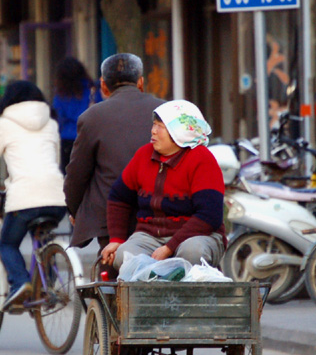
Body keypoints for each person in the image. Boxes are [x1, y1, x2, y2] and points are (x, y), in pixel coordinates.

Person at [0, 81, 66, 312]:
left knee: (7, 243)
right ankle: (47, 285)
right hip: (57, 197)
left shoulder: (6, 124)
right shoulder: (50, 123)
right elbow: (55, 160)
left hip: (25, 197)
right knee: (42, 236)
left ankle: (20, 283)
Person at [101, 99, 226, 272]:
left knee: (192, 252)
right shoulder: (143, 155)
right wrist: (116, 239)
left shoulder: (202, 159)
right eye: (153, 125)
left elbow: (209, 216)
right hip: (149, 236)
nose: (153, 131)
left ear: (180, 131)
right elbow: (118, 197)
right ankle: (152, 296)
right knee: (124, 255)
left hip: (197, 236)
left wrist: (169, 248)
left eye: (160, 126)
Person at [64, 53, 163, 251]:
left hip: (110, 218)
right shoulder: (165, 110)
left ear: (103, 85)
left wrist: (75, 210)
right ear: (141, 82)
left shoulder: (92, 117)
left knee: (112, 276)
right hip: (160, 211)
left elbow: (77, 174)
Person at [52, 57, 102, 174]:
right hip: (91, 138)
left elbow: (59, 119)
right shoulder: (93, 91)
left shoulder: (61, 95)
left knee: (70, 178)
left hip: (68, 141)